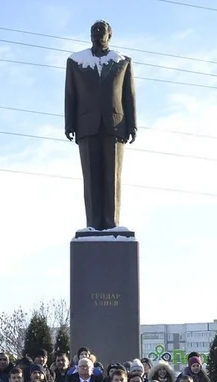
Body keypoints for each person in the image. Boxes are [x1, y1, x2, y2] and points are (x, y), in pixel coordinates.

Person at [64, 20, 137, 231]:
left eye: (101, 30)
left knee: (112, 177)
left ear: (109, 35)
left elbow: (128, 95)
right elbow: (70, 94)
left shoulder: (123, 61)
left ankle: (112, 223)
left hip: (116, 125)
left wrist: (132, 125)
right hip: (86, 125)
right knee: (91, 178)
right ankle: (93, 224)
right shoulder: (76, 62)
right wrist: (69, 123)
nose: (97, 33)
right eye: (94, 31)